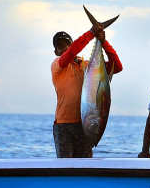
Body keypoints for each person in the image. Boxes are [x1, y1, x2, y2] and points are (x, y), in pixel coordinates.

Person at [51, 23, 122, 158]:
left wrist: (103, 42)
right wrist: (91, 33)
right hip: (63, 126)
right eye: (60, 46)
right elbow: (70, 52)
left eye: (68, 44)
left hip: (85, 125)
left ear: (72, 44)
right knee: (65, 168)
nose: (65, 48)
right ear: (56, 52)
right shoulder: (57, 65)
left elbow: (117, 66)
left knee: (84, 166)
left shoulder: (88, 66)